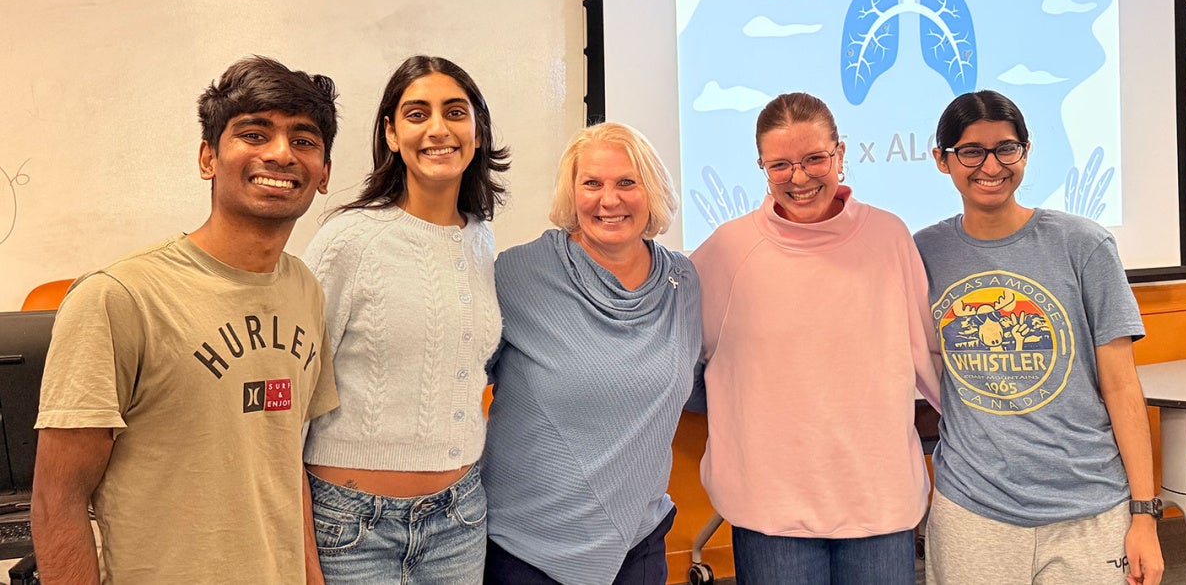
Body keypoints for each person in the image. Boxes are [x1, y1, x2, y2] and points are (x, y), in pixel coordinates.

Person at [31, 56, 340, 584]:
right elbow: (56, 501)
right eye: (254, 133)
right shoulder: (118, 297)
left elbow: (285, 463)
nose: (282, 153)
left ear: (325, 173)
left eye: (304, 140)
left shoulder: (304, 288)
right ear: (208, 158)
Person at [689, 92, 942, 585]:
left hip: (878, 498)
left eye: (814, 159)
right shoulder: (728, 249)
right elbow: (674, 352)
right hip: (770, 506)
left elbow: (927, 356)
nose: (799, 177)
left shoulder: (889, 237)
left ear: (841, 155)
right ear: (761, 165)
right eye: (780, 164)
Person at [914, 89, 1164, 585]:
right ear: (942, 160)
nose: (991, 165)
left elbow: (1120, 386)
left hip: (1089, 504)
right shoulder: (923, 253)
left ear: (1025, 152)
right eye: (971, 151)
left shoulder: (1084, 244)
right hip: (973, 509)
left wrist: (1144, 514)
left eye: (1006, 148)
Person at [301, 55, 509, 584]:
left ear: (478, 131)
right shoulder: (348, 241)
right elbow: (292, 404)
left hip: (460, 520)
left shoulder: (480, 237)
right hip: (351, 528)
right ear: (392, 134)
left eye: (455, 112)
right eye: (417, 114)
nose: (438, 129)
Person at [481, 122, 701, 585]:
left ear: (652, 190)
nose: (609, 199)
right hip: (525, 550)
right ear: (571, 192)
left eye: (627, 182)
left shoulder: (683, 282)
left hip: (638, 546)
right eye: (592, 183)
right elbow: (458, 384)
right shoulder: (519, 274)